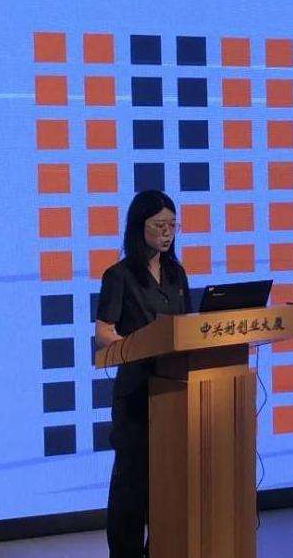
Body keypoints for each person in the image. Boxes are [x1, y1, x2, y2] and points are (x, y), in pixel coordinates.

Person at [95, 190, 191, 558]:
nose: (167, 233)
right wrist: (137, 346)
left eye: (172, 225)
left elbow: (186, 328)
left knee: (169, 480)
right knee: (131, 483)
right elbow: (104, 333)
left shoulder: (176, 273)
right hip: (136, 392)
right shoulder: (119, 275)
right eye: (159, 225)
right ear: (139, 227)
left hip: (174, 390)